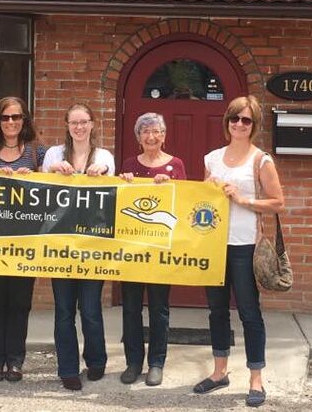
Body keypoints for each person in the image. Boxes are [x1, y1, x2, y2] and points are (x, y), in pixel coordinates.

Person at [194, 95, 284, 407]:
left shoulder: (261, 160)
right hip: (215, 245)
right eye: (235, 118)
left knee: (249, 313)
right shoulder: (212, 158)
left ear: (254, 125)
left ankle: (256, 378)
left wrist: (244, 201)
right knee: (216, 311)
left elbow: (277, 202)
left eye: (246, 120)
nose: (240, 124)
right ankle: (220, 372)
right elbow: (202, 200)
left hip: (245, 245)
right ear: (227, 122)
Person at [42, 103, 115, 391]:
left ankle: (96, 362)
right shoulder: (53, 154)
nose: (79, 127)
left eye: (84, 121)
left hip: (92, 245)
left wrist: (104, 171)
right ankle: (68, 368)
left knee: (91, 309)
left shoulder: (104, 155)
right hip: (60, 245)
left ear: (93, 124)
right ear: (67, 125)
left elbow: (115, 190)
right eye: (74, 122)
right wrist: (52, 171)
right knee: (63, 311)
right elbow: (38, 186)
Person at [0, 96, 46, 382]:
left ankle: (15, 360)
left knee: (19, 304)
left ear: (24, 120)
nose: (11, 123)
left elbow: (52, 187)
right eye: (5, 118)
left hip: (25, 243)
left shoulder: (36, 153)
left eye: (16, 117)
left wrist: (36, 177)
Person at [118, 112, 186, 386]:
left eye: (156, 130)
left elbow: (183, 201)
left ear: (164, 135)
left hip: (161, 250)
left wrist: (170, 186)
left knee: (159, 308)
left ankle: (156, 363)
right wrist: (124, 182)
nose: (151, 136)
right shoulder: (129, 165)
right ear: (138, 138)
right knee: (131, 308)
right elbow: (120, 203)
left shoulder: (176, 165)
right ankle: (133, 362)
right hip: (133, 250)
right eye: (144, 131)